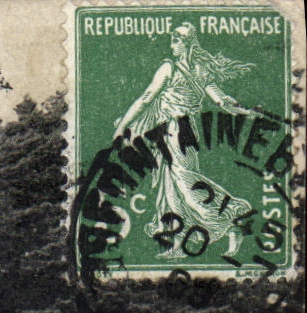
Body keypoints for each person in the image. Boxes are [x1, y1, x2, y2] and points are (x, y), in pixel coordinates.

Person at [113, 23, 263, 259]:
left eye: (176, 40)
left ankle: (235, 217)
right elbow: (222, 100)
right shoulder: (201, 70)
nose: (172, 45)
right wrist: (240, 109)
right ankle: (180, 242)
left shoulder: (170, 68)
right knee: (171, 189)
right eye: (172, 40)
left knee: (186, 183)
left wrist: (122, 127)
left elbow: (146, 99)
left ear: (187, 44)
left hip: (176, 130)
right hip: (179, 132)